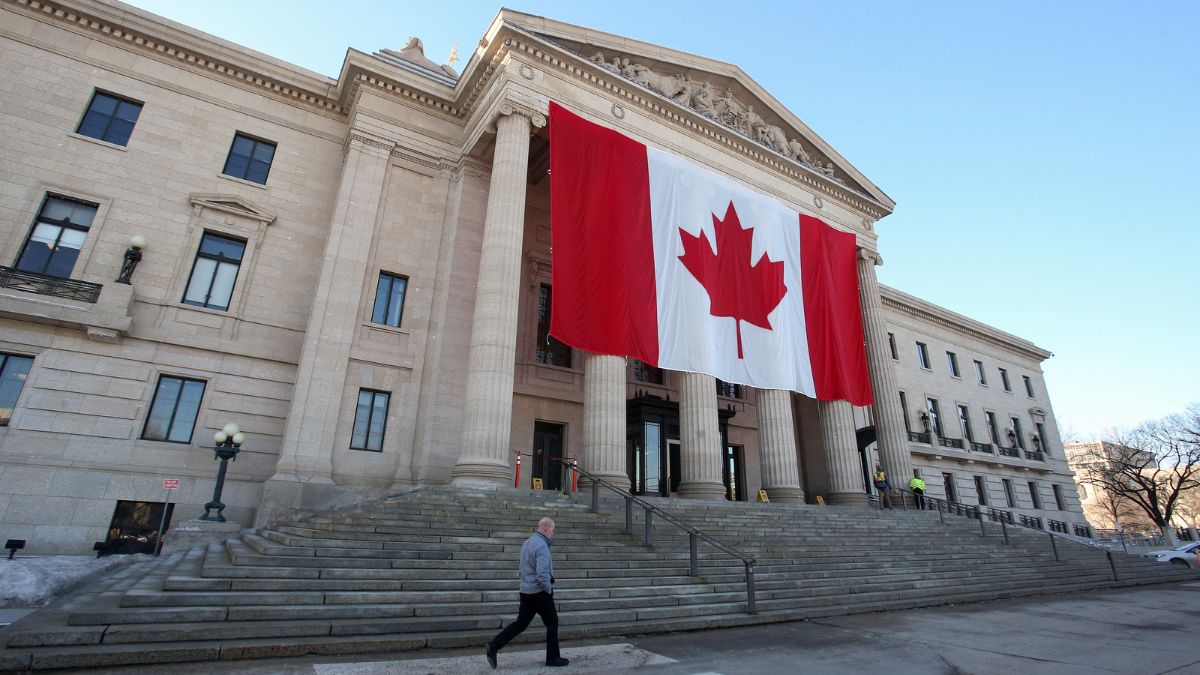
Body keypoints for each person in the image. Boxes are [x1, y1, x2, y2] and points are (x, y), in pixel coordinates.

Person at [486, 517, 569, 668]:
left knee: (521, 623)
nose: (552, 533)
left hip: (525, 591)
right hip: (539, 592)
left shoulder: (527, 542)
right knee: (552, 622)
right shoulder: (542, 546)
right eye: (552, 530)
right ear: (546, 529)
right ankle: (552, 658)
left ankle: (494, 645)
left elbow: (522, 567)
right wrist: (548, 590)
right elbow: (543, 573)